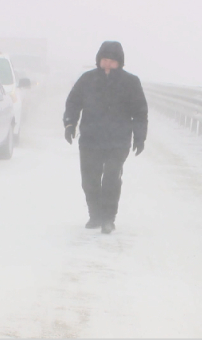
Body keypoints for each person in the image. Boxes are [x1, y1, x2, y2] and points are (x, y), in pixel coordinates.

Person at [63, 41, 148, 234]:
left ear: (120, 63)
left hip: (118, 141)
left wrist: (140, 136)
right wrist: (70, 124)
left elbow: (140, 112)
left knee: (111, 178)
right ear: (99, 60)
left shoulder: (131, 83)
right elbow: (73, 102)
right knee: (89, 180)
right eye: (104, 60)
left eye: (112, 61)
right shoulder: (87, 80)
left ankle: (109, 218)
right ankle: (95, 215)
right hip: (91, 139)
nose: (107, 64)